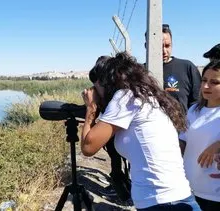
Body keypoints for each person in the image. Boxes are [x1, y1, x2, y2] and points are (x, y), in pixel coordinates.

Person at [81, 52, 201, 210]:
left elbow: (88, 147)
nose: (95, 93)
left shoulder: (125, 97)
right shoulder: (145, 95)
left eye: (96, 88)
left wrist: (90, 109)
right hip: (174, 197)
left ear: (107, 83)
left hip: (161, 202)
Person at [89, 56, 132, 203]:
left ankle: (122, 192)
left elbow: (88, 147)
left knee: (118, 163)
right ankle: (122, 189)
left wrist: (90, 108)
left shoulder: (119, 97)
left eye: (98, 84)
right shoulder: (122, 92)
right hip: (117, 134)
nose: (96, 88)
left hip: (119, 135)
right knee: (118, 161)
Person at [179, 60, 220, 211]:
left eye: (214, 82)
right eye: (204, 80)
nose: (206, 86)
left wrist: (217, 145)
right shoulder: (194, 110)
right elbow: (183, 138)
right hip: (189, 187)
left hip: (215, 193)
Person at [146, 24, 202, 113]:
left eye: (167, 46)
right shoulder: (141, 72)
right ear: (147, 46)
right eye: (159, 47)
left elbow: (198, 103)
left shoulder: (187, 67)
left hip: (181, 126)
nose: (164, 51)